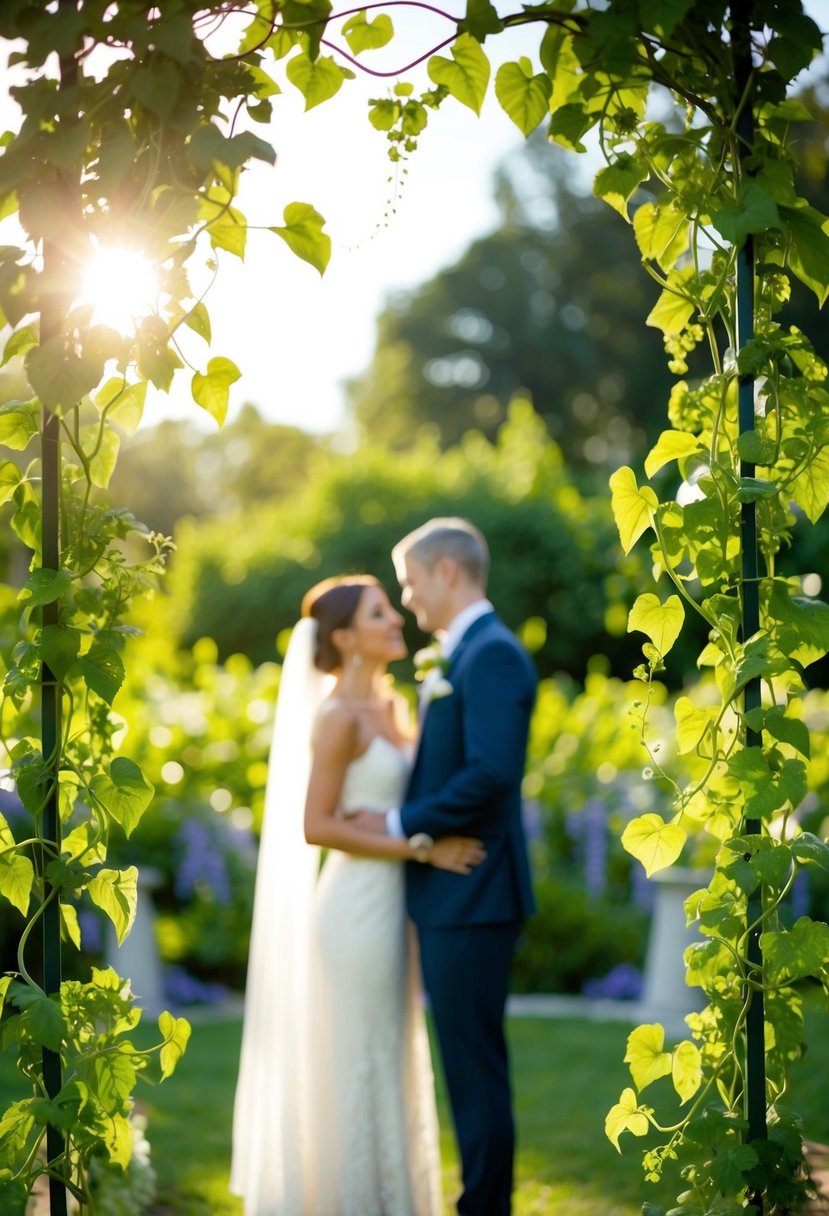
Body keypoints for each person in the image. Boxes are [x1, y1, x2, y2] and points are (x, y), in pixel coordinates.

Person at [230, 574, 486, 1216]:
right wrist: (422, 847)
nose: (396, 619)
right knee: (361, 1053)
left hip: (395, 908)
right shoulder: (338, 718)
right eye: (379, 614)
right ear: (345, 638)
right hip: (355, 912)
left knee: (389, 1047)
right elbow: (317, 825)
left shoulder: (397, 705)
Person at [352, 518, 537, 1216]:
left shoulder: (489, 655)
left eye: (409, 580)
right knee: (467, 1066)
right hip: (457, 893)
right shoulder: (460, 656)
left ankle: (483, 1207)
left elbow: (491, 772)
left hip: (474, 892)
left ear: (446, 574)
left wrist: (402, 824)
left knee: (474, 1069)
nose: (406, 599)